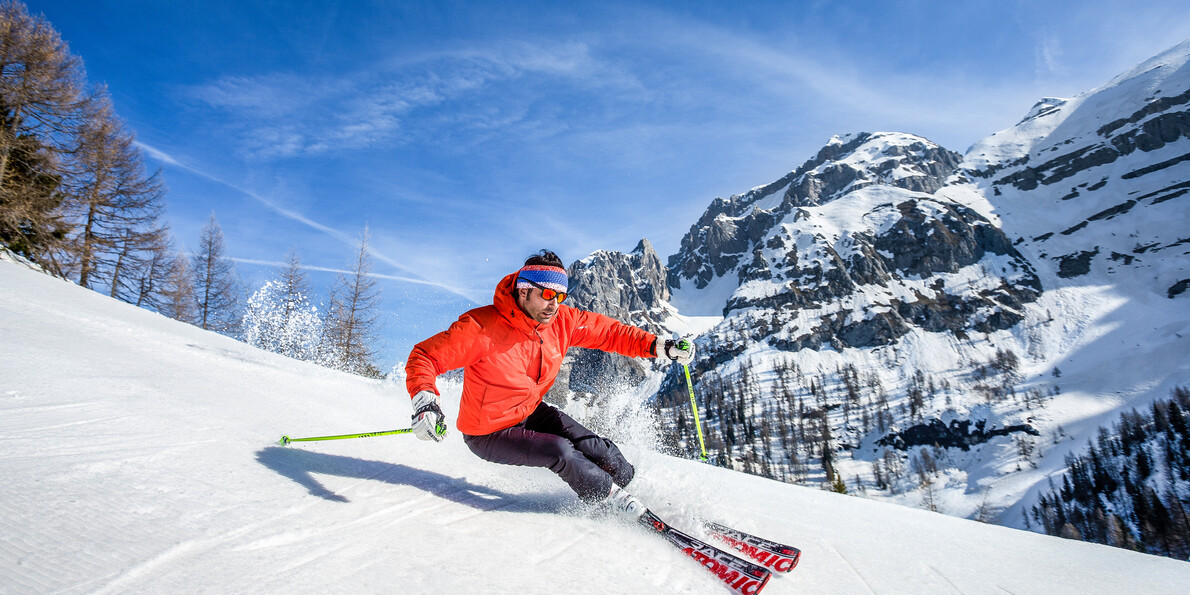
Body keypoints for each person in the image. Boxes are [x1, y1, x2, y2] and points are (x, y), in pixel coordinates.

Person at [404, 250, 694, 519]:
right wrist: (425, 401)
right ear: (524, 290)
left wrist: (661, 346)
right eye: (546, 294)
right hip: (488, 432)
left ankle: (637, 491)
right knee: (560, 451)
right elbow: (425, 356)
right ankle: (613, 504)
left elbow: (611, 333)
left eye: (560, 296)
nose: (554, 304)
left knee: (599, 449)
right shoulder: (481, 328)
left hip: (529, 411)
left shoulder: (561, 321)